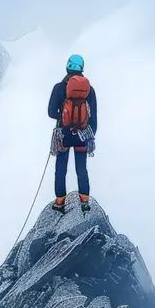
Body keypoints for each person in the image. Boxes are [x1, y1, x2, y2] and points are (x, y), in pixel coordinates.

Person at [48, 54, 97, 214]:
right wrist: (88, 134)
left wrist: (63, 117)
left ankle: (60, 202)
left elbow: (51, 112)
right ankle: (84, 202)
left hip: (64, 136)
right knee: (81, 168)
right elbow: (93, 117)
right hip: (82, 136)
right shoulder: (90, 90)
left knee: (61, 168)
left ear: (68, 67)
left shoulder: (59, 87)